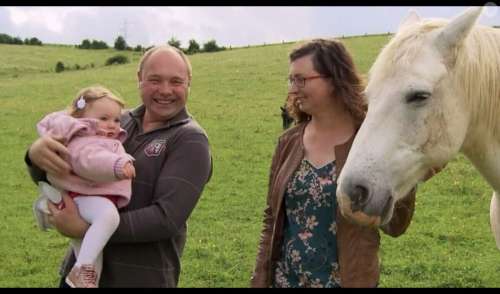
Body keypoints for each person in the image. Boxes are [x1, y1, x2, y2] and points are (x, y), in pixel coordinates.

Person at [25, 45, 212, 288]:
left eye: (176, 81)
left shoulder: (190, 140)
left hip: (140, 279)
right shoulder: (114, 121)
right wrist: (34, 157)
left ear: (188, 83)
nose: (165, 90)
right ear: (139, 79)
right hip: (79, 275)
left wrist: (86, 227)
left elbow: (166, 218)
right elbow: (65, 168)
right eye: (155, 80)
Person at [250, 39, 420, 288]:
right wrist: (259, 279)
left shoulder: (369, 143)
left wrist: (408, 174)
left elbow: (396, 226)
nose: (293, 89)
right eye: (291, 80)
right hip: (284, 282)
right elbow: (271, 216)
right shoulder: (288, 142)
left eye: (301, 79)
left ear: (333, 78)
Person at [34, 86, 135, 288]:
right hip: (85, 198)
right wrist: (117, 165)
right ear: (83, 117)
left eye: (116, 120)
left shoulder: (96, 138)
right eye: (104, 118)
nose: (112, 125)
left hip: (84, 198)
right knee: (109, 216)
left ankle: (83, 277)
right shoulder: (86, 140)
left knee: (91, 258)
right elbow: (89, 161)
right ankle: (81, 269)